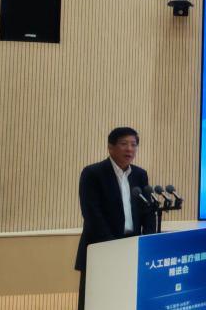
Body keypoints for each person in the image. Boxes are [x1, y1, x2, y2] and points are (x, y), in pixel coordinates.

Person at [75, 127, 156, 310]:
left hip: (132, 246)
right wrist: (112, 246)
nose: (129, 149)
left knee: (126, 296)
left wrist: (148, 240)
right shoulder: (93, 173)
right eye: (124, 144)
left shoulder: (140, 174)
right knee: (95, 299)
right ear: (110, 147)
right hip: (101, 246)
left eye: (133, 145)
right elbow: (92, 213)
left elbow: (148, 211)